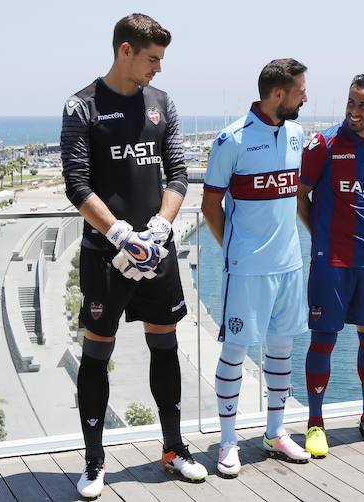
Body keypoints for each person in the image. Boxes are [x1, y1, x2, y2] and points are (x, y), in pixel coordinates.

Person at [60, 13, 207, 498]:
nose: (158, 69)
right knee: (96, 354)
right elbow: (77, 185)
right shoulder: (81, 106)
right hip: (107, 255)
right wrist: (122, 233)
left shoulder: (161, 103)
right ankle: (94, 462)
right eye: (152, 59)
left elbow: (179, 173)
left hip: (157, 253)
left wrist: (161, 227)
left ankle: (173, 450)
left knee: (165, 348)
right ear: (125, 51)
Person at [201, 58, 311, 475]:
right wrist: (234, 249)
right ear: (278, 95)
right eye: (301, 90)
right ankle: (227, 442)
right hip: (247, 268)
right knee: (234, 352)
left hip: (290, 265)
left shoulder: (299, 134)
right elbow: (210, 204)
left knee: (281, 351)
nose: (306, 97)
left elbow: (297, 197)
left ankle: (275, 432)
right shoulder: (232, 140)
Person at [297, 74, 364, 458]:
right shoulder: (324, 143)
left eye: (363, 105)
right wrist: (321, 239)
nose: (354, 111)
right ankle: (314, 424)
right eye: (351, 103)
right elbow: (300, 196)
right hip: (332, 262)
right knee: (324, 339)